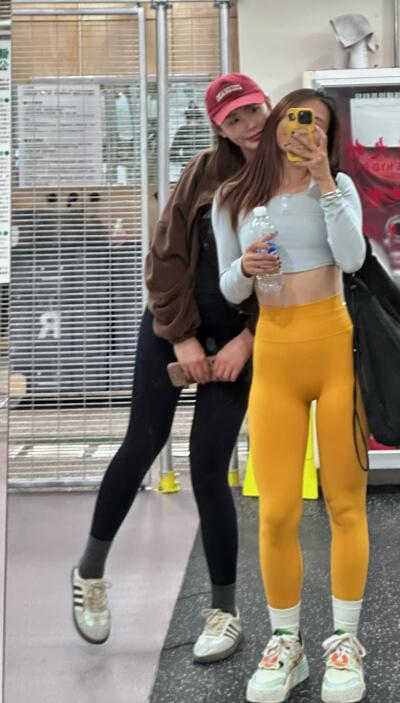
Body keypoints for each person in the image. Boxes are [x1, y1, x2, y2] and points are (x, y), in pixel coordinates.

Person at [71, 73, 271, 665]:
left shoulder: (287, 173)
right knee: (143, 442)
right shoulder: (203, 172)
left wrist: (248, 341)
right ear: (219, 128)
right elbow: (166, 258)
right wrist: (181, 337)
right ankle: (90, 573)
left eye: (253, 110)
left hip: (240, 341)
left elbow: (299, 272)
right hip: (171, 327)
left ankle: (224, 612)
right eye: (234, 119)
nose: (249, 125)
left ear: (268, 105)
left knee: (210, 464)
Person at [212, 89, 370, 703]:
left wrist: (325, 180)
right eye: (293, 119)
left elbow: (353, 258)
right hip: (275, 355)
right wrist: (245, 269)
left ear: (329, 136)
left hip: (335, 348)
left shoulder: (339, 185)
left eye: (316, 124)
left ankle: (345, 642)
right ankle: (287, 643)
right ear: (276, 123)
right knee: (276, 511)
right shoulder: (233, 196)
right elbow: (229, 290)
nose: (300, 130)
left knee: (345, 505)